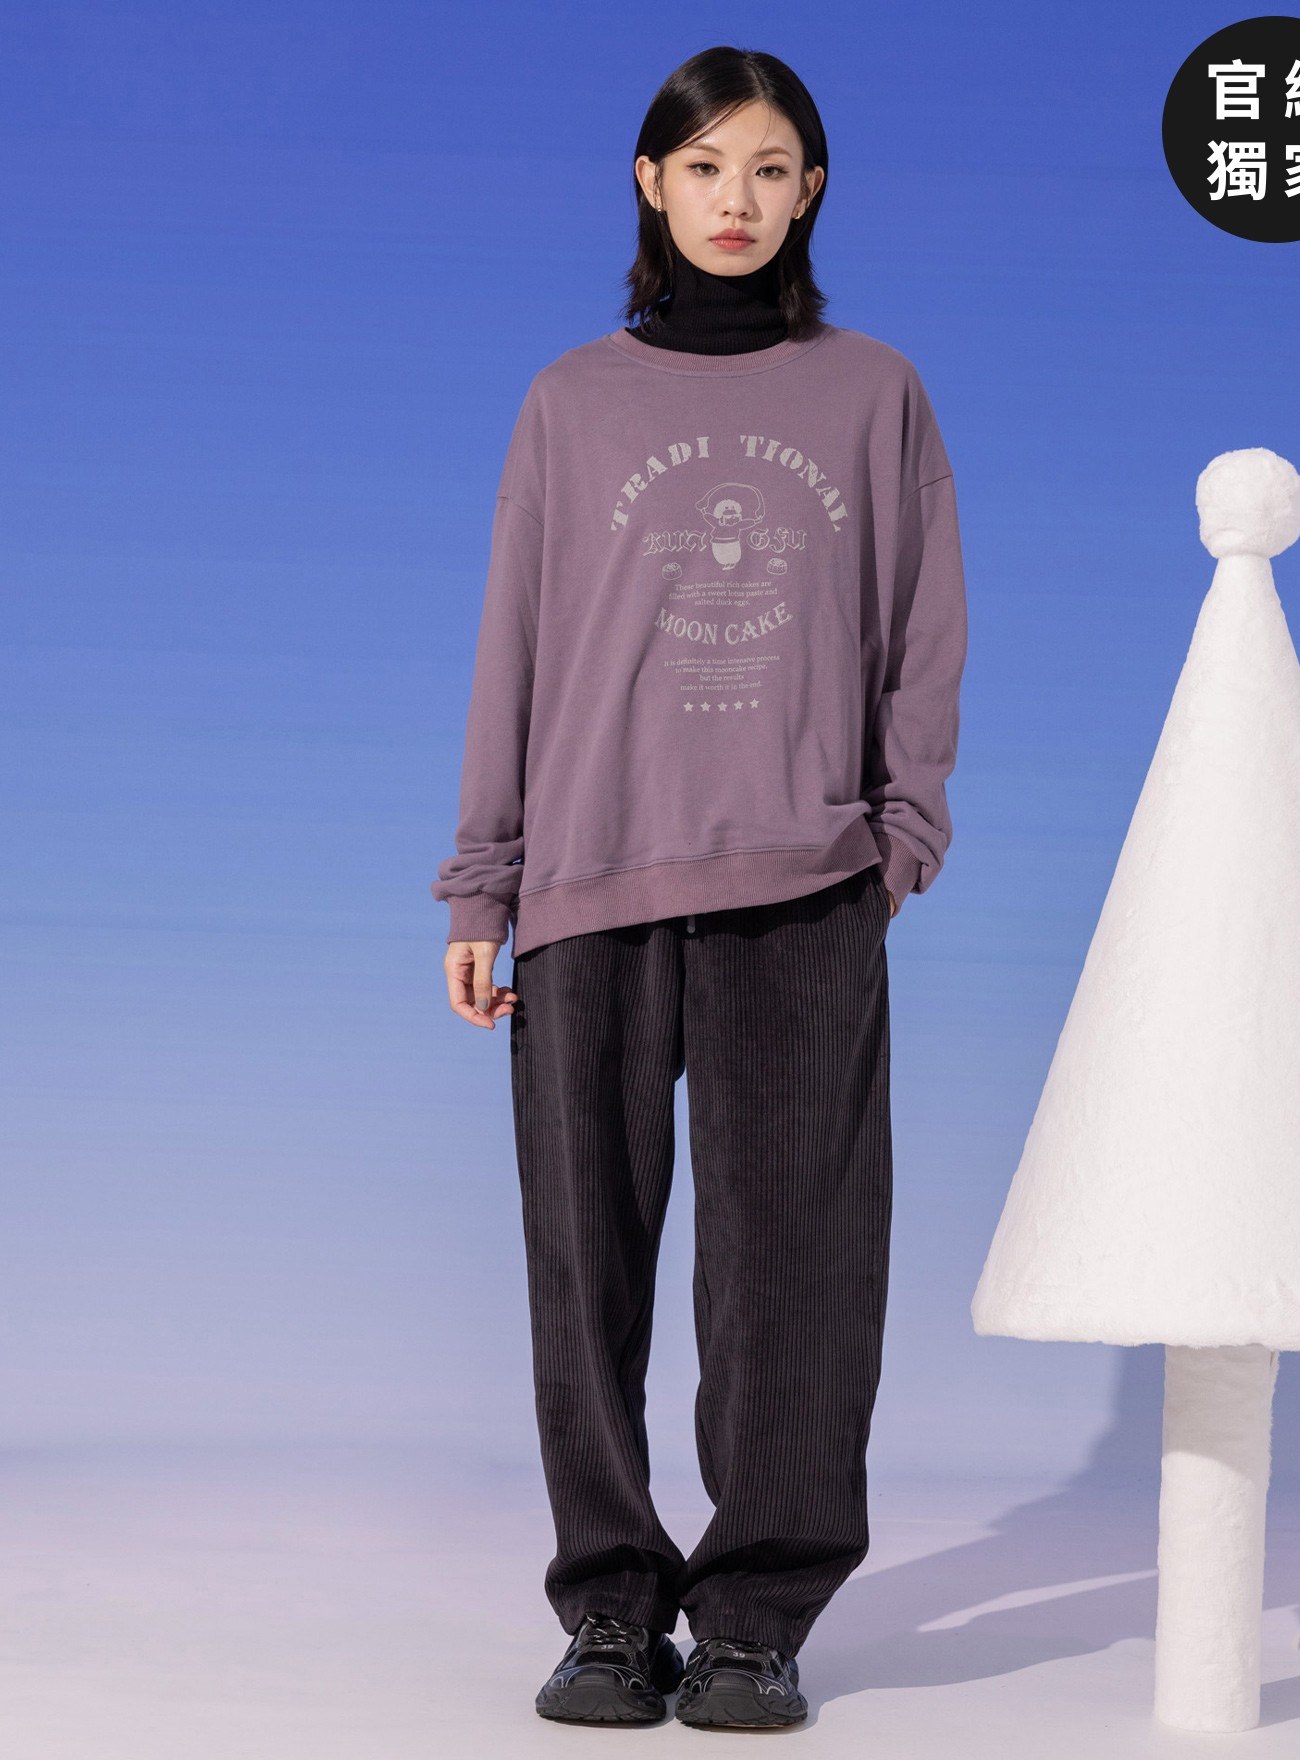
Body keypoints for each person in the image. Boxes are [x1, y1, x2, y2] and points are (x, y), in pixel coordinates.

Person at [431, 44, 968, 1732]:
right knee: (585, 1268)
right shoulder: (571, 399)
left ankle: (754, 1618)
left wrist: (900, 835)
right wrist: (484, 884)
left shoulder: (873, 391)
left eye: (772, 167)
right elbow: (516, 645)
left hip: (806, 883)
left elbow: (923, 627)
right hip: (591, 878)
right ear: (651, 184)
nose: (738, 198)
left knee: (798, 1269)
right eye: (708, 166)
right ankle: (610, 1608)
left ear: (813, 192)